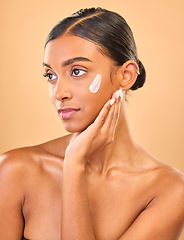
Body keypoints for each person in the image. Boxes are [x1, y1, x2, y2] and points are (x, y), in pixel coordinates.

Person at [0, 7, 184, 240]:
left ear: (126, 75)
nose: (59, 93)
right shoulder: (15, 171)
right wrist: (73, 162)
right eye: (51, 75)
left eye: (77, 71)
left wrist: (74, 166)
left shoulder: (168, 191)